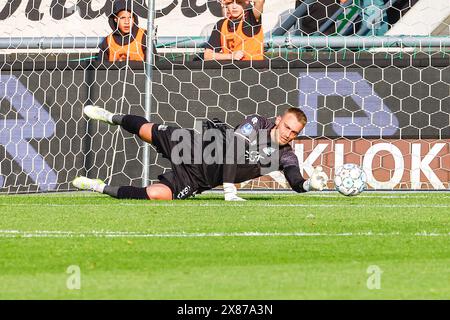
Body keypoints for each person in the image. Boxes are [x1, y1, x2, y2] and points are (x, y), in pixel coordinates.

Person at [72, 105, 328, 201]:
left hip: (197, 179)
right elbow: (233, 148)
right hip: (194, 146)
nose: (288, 134)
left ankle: (96, 187)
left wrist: (308, 185)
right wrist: (229, 189)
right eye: (287, 127)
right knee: (146, 130)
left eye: (294, 132)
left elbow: (295, 180)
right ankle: (111, 117)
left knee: (155, 195)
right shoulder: (257, 123)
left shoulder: (285, 156)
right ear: (278, 119)